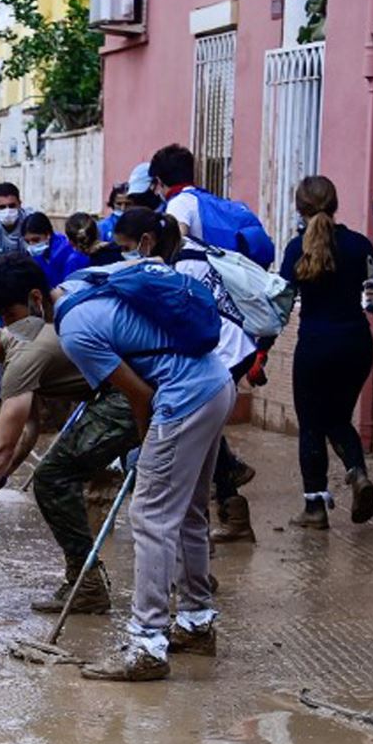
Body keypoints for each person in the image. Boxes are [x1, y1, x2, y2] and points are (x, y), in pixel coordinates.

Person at [54, 257, 236, 681]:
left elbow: (140, 397)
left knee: (150, 515)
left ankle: (146, 646)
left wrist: (145, 445)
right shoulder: (86, 282)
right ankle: (195, 622)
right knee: (189, 510)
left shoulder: (73, 331)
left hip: (185, 396)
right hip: (217, 384)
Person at [0, 257, 139, 613]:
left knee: (52, 479)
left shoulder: (21, 357)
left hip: (125, 396)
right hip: (114, 391)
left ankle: (86, 585)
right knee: (54, 474)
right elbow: (29, 430)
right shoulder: (14, 343)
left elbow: (0, 447)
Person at [111, 207, 263, 543]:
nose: (125, 255)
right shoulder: (180, 252)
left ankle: (214, 515)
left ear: (146, 242)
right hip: (224, 346)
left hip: (224, 348)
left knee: (198, 426)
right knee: (206, 432)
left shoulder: (180, 267)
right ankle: (230, 504)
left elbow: (187, 323)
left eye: (127, 247)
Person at [279, 175, 373, 528]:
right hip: (356, 346)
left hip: (315, 348)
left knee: (311, 425)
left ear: (299, 209)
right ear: (335, 205)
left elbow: (280, 304)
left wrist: (260, 348)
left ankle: (314, 508)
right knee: (337, 418)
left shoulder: (296, 249)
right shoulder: (361, 245)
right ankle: (358, 472)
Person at [21, 212, 88, 287]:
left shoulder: (65, 251)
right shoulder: (36, 255)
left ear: (48, 234)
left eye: (36, 240)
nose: (31, 245)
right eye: (27, 242)